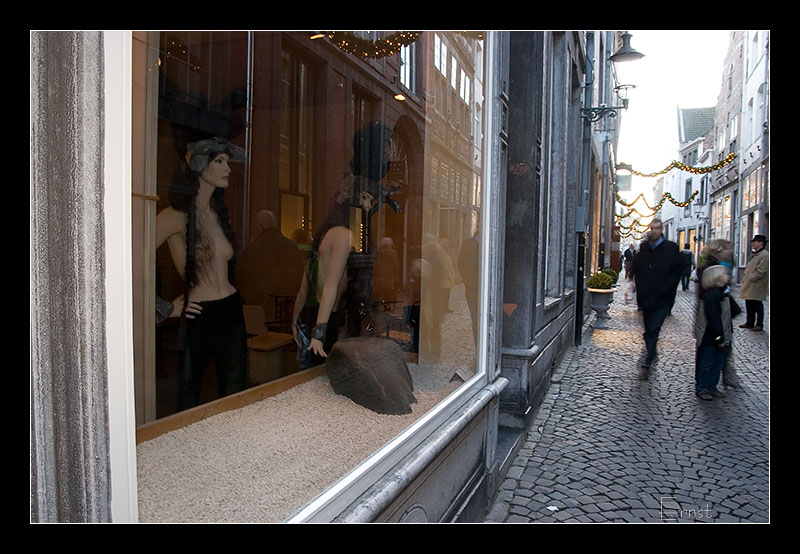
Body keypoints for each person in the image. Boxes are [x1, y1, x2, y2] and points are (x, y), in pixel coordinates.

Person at [156, 136, 248, 410]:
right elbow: (129, 256)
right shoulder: (175, 216)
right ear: (198, 165)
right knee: (189, 398)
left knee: (235, 397)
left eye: (228, 162)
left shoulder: (218, 215)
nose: (228, 169)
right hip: (199, 314)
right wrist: (162, 307)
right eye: (219, 161)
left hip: (231, 311)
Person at [631, 218, 683, 376]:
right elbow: (637, 271)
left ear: (661, 230)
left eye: (657, 228)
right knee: (648, 330)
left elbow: (677, 271)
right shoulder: (643, 250)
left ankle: (649, 359)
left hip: (663, 298)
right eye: (652, 228)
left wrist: (668, 288)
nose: (654, 231)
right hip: (646, 298)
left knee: (654, 328)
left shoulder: (671, 249)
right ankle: (651, 351)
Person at [236, 210, 305, 322]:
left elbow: (241, 283)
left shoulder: (251, 251)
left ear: (260, 227)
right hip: (287, 316)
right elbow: (301, 281)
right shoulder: (291, 248)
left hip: (256, 317)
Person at [694, 263, 732, 400]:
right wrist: (719, 338)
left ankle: (711, 386)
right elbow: (713, 318)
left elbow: (728, 316)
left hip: (720, 334)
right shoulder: (712, 296)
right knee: (708, 362)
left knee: (718, 363)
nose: (727, 276)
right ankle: (703, 387)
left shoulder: (723, 293)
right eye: (724, 274)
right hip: (710, 336)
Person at [739, 234, 769, 332]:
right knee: (749, 302)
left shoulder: (764, 255)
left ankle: (759, 324)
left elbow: (762, 270)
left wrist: (752, 277)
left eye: (755, 242)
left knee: (757, 304)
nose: (753, 244)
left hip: (757, 284)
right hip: (751, 283)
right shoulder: (756, 253)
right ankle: (749, 322)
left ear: (761, 243)